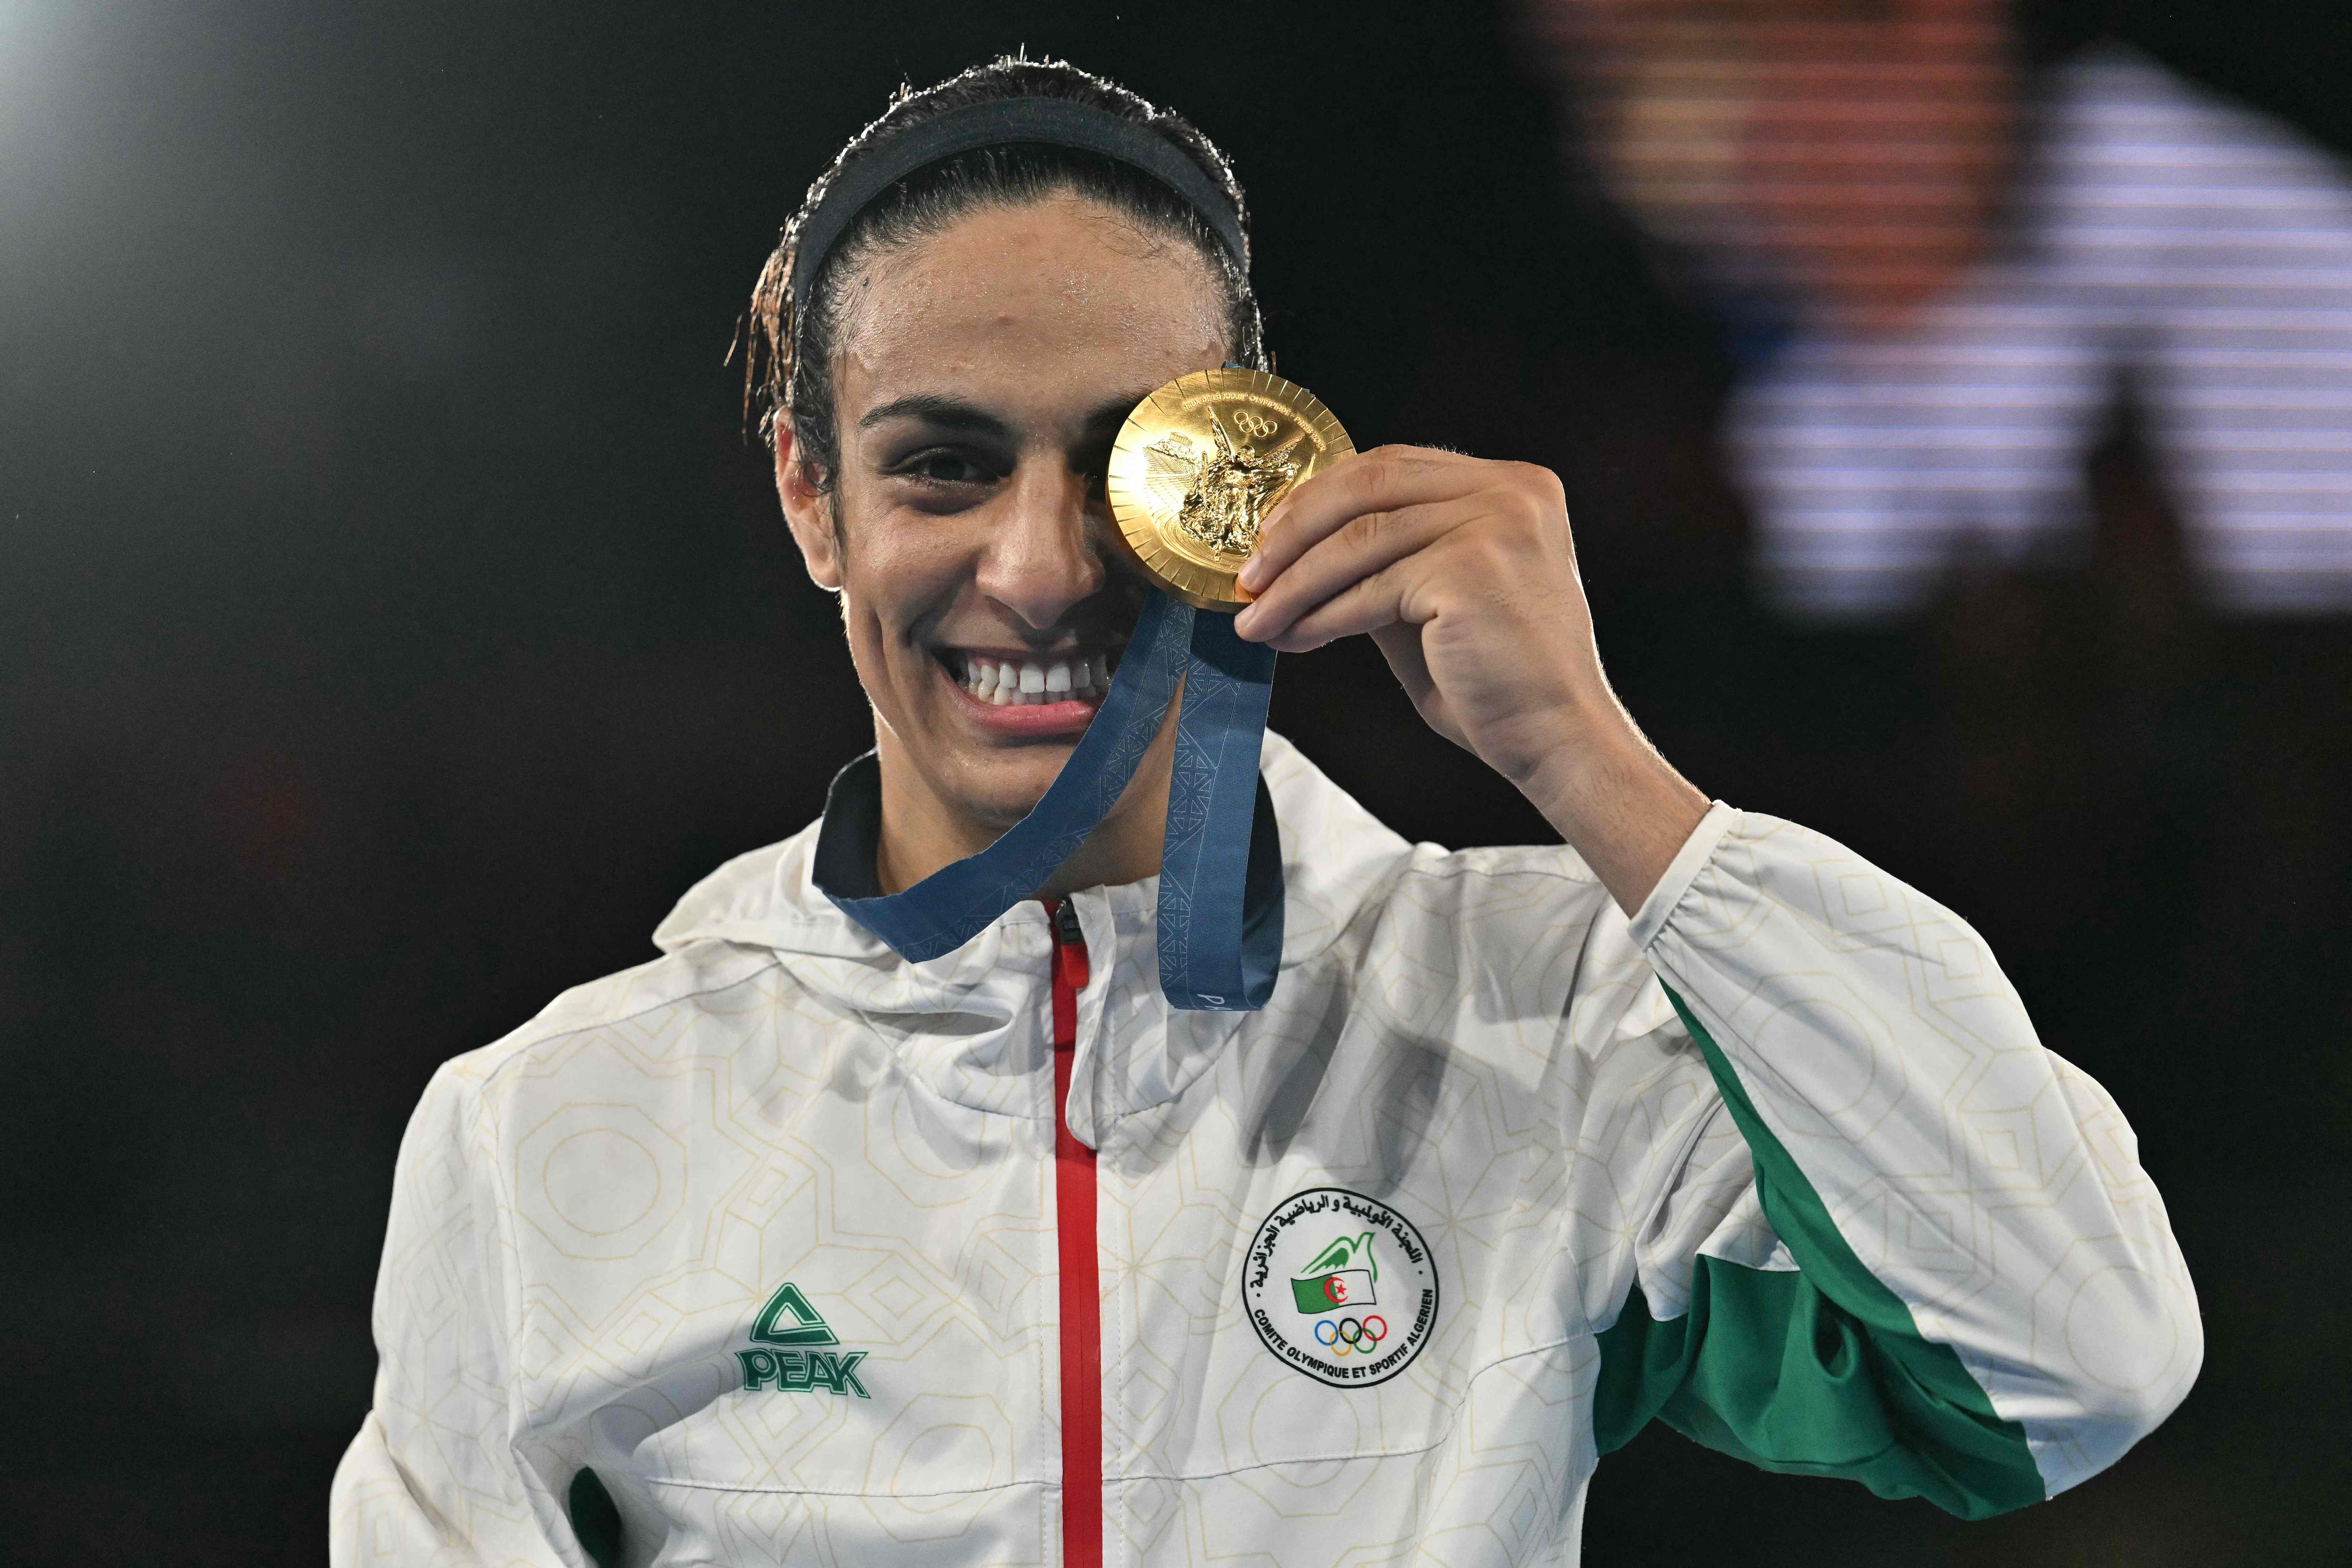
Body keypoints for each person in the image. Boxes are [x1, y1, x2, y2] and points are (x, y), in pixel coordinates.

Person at [331, 55, 2199, 1567]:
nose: (1041, 566)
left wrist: (1594, 766)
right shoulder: (551, 1129)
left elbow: (2065, 1360)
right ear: (813, 500)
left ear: (1233, 484)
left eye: (1117, 461)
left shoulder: (1541, 1014)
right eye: (943, 464)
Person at [1520, 0, 2352, 618]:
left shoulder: (2263, 279)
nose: (1681, 177)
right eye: (1616, 103)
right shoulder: (1801, 404)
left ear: (1939, 33)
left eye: (1712, 71)